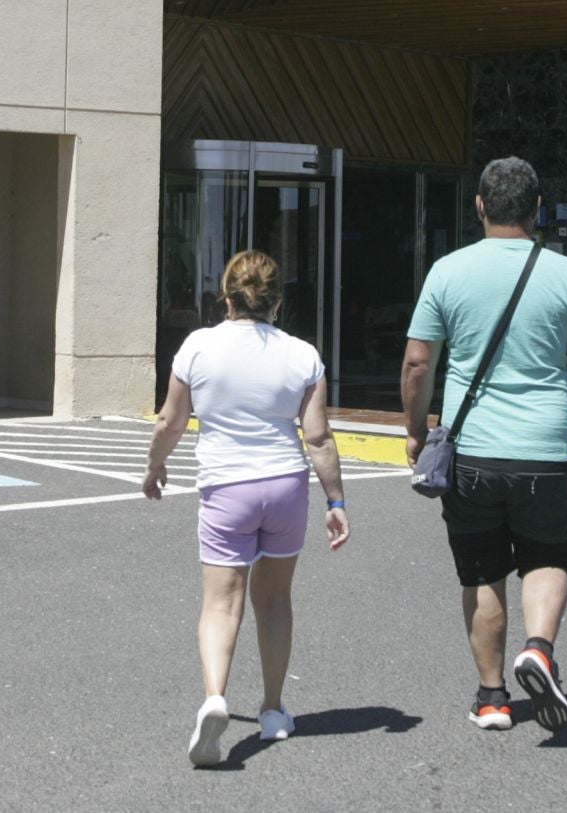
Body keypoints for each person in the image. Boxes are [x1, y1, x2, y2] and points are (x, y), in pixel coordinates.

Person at [400, 156, 567, 733]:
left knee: (481, 572)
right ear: (538, 207)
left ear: (478, 206)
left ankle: (493, 697)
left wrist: (415, 428)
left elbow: (417, 363)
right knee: (547, 558)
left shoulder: (447, 272)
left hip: (471, 453)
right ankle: (540, 649)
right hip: (544, 453)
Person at [143, 250, 350, 769]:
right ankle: (274, 710)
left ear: (225, 296)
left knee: (221, 603)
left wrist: (154, 468)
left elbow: (170, 421)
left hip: (225, 486)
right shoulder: (302, 354)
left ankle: (215, 696)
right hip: (284, 484)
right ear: (276, 302)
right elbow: (319, 437)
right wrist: (336, 500)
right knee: (275, 601)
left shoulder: (198, 346)